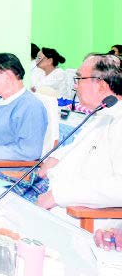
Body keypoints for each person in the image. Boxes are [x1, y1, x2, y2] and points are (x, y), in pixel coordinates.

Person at [33, 54, 122, 210]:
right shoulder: (104, 114)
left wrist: (58, 196)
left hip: (77, 214)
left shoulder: (118, 122)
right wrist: (56, 156)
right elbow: (82, 147)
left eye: (79, 79)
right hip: (52, 197)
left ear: (101, 85)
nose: (75, 87)